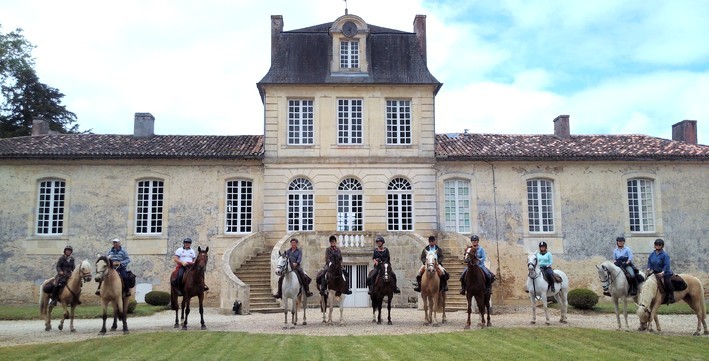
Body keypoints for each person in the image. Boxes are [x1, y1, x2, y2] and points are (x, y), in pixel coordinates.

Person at [647, 238, 674, 304]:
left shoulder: (665, 255)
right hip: (655, 272)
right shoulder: (652, 254)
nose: (658, 246)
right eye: (656, 244)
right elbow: (649, 262)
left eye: (659, 245)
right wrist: (648, 268)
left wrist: (663, 272)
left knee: (667, 282)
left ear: (662, 246)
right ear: (654, 245)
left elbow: (667, 265)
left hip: (665, 272)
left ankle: (671, 296)